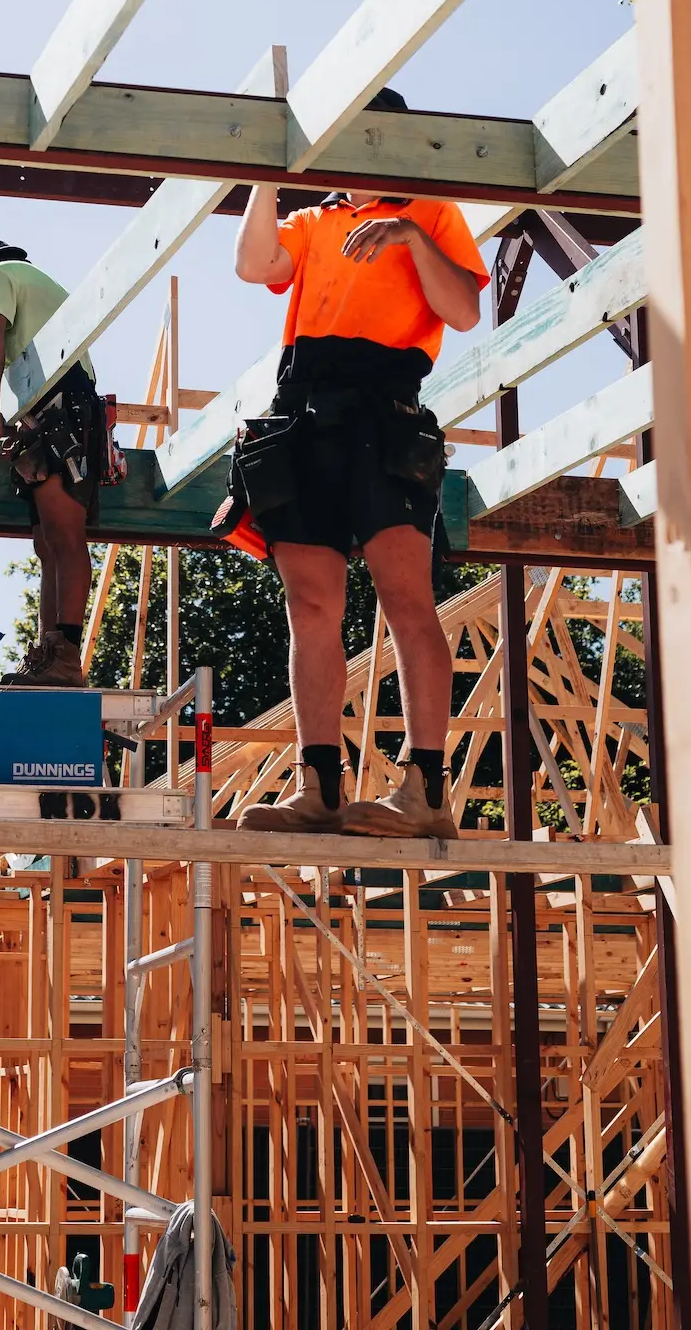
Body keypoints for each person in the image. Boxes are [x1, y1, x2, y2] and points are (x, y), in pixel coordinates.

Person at [225, 89, 488, 838]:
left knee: (405, 595)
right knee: (309, 606)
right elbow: (254, 265)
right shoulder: (315, 220)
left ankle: (425, 791)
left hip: (384, 408)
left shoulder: (430, 213)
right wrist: (265, 172)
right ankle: (320, 791)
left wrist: (406, 233)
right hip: (303, 410)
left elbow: (464, 312)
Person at [0, 239, 109, 689]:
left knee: (64, 538)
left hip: (59, 408)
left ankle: (65, 654)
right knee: (48, 545)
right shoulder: (38, 283)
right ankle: (49, 653)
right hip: (62, 406)